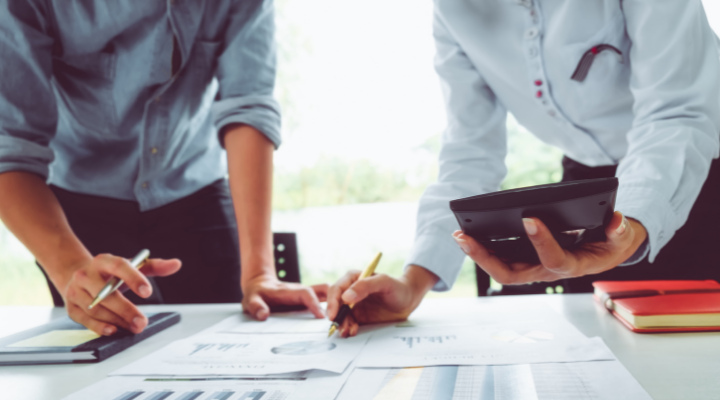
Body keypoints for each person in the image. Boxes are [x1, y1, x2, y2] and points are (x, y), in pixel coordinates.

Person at [328, 0, 720, 337]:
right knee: (606, 351)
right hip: (590, 190)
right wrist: (412, 283)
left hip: (701, 172)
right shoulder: (452, 10)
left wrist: (633, 224)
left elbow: (678, 113)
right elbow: (469, 151)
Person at [0, 0, 327, 337]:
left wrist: (260, 273)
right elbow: (9, 144)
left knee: (235, 341)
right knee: (106, 351)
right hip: (77, 208)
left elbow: (248, 104)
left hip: (195, 189)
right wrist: (70, 268)